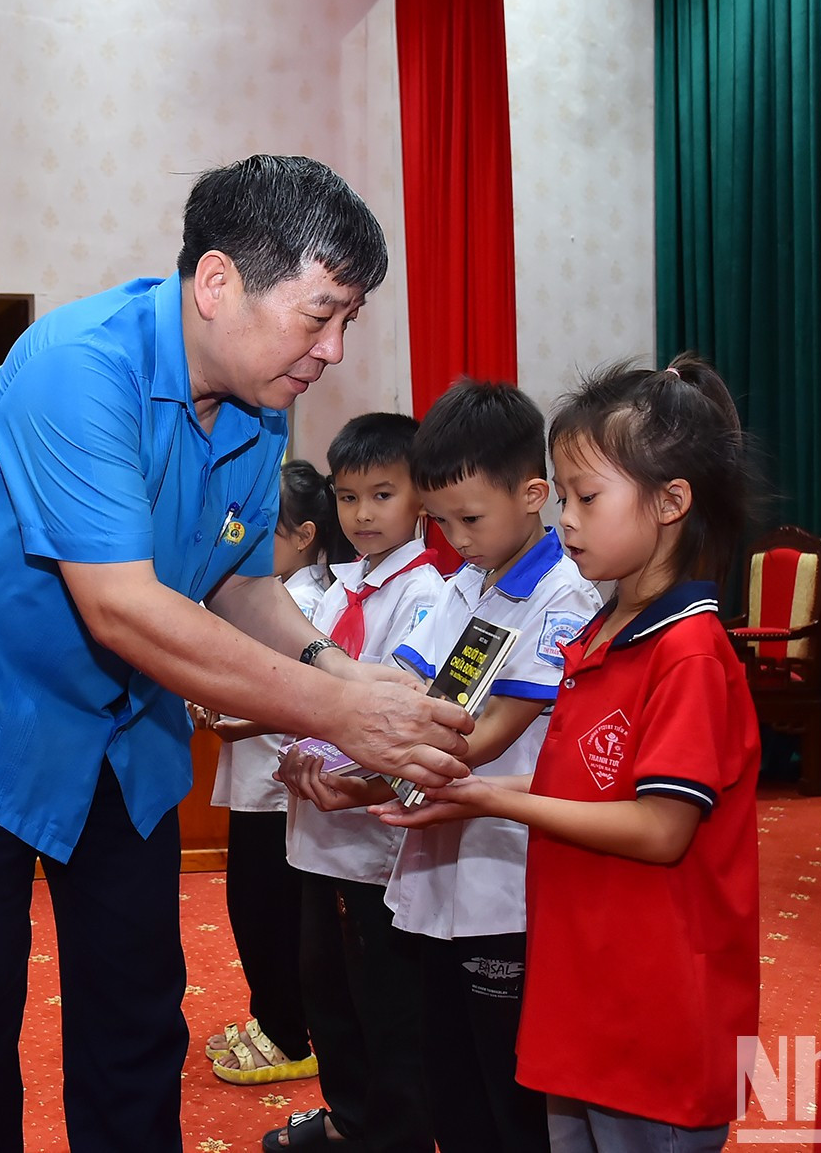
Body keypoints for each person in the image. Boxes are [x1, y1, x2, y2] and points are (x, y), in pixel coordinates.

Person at [0, 155, 476, 1153]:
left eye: (348, 323)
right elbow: (123, 606)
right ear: (218, 283)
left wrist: (342, 672)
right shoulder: (77, 367)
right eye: (319, 313)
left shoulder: (261, 400)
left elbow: (233, 582)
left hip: (123, 730)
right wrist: (339, 714)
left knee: (136, 1015)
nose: (333, 350)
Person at [380, 356, 760, 1153]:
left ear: (670, 504)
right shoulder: (595, 635)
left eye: (587, 497)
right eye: (564, 494)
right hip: (583, 981)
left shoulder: (688, 653)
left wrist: (489, 798)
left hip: (654, 1003)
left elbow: (661, 830)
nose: (569, 518)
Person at [293, 379, 601, 1153]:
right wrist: (335, 754)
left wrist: (361, 769)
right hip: (437, 864)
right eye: (443, 520)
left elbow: (484, 735)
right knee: (448, 1073)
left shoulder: (562, 596)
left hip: (509, 873)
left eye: (471, 518)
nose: (456, 537)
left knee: (511, 1087)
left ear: (534, 494)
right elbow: (400, 697)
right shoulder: (463, 584)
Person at [267, 413, 445, 1151]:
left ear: (421, 500)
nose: (363, 515)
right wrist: (293, 751)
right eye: (347, 498)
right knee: (327, 991)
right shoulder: (335, 590)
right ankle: (347, 1117)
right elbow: (299, 682)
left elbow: (404, 703)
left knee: (388, 1002)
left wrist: (339, 763)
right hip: (315, 830)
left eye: (382, 495)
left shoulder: (428, 592)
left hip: (376, 839)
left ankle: (394, 1133)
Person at [200, 459, 348, 1087]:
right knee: (252, 910)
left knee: (272, 915)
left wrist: (243, 712)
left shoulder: (308, 602)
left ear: (305, 536)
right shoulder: (282, 594)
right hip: (253, 783)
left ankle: (288, 1032)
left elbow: (299, 690)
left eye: (267, 534)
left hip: (277, 788)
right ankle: (271, 1018)